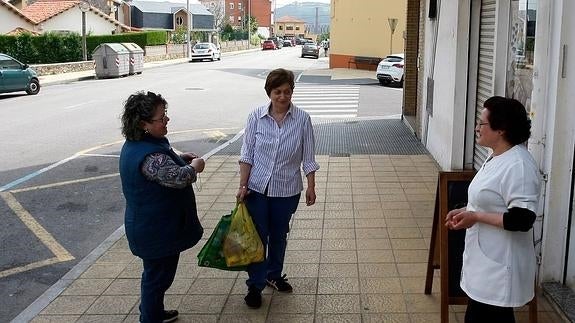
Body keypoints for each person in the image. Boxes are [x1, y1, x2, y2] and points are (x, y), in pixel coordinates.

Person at [445, 96, 541, 323]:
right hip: (484, 265)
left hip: (500, 270)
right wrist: (466, 210)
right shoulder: (495, 156)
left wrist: (476, 216)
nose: (477, 128)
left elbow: (522, 218)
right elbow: (491, 199)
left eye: (482, 123)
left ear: (502, 129)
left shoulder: (519, 165)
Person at [236, 68, 320, 309]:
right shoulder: (255, 117)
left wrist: (311, 186)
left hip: (287, 190)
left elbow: (309, 157)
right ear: (269, 93)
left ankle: (273, 274)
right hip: (257, 189)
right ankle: (255, 285)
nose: (283, 97)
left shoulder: (302, 119)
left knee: (279, 235)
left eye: (287, 92)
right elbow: (247, 154)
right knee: (258, 238)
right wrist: (243, 185)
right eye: (277, 92)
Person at [119, 91, 205, 323]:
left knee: (157, 276)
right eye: (161, 117)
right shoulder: (148, 156)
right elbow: (178, 178)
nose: (166, 120)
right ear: (143, 124)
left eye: (165, 114)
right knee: (157, 278)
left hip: (156, 228)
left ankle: (154, 312)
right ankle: (150, 318)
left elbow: (164, 162)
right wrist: (195, 166)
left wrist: (179, 157)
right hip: (155, 231)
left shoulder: (140, 144)